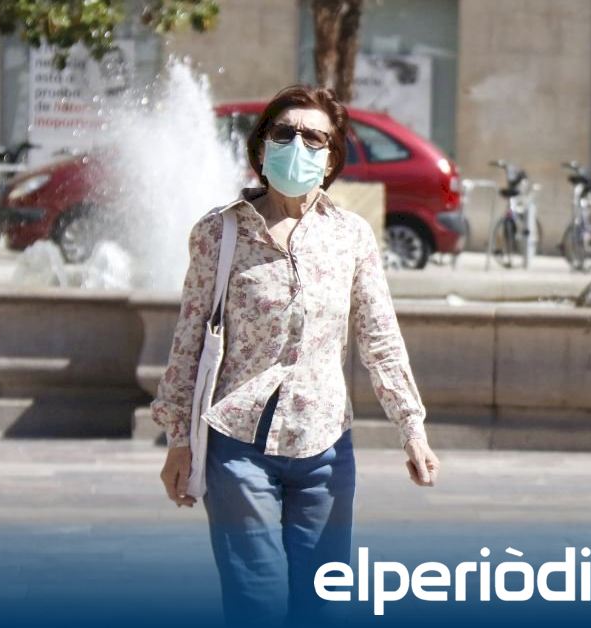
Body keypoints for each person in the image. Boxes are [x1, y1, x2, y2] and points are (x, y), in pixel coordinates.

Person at [152, 84, 441, 627]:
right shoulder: (220, 232)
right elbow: (189, 338)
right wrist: (177, 440)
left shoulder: (350, 236)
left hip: (324, 446)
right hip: (237, 447)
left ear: (331, 160)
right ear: (262, 146)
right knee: (256, 601)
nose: (298, 146)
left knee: (323, 604)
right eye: (285, 133)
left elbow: (379, 337)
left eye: (314, 139)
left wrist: (412, 429)